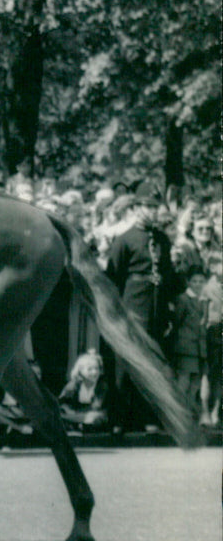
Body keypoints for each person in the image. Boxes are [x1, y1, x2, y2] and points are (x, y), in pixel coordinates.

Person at [105, 180, 181, 434]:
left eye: (155, 206)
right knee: (126, 363)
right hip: (132, 308)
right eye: (147, 206)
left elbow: (168, 275)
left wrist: (168, 308)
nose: (152, 211)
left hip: (157, 310)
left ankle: (147, 416)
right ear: (136, 208)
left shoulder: (162, 240)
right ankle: (119, 419)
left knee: (153, 365)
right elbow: (112, 277)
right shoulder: (124, 240)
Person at [169, 266, 208, 421]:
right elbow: (177, 322)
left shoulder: (204, 300)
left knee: (195, 384)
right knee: (183, 382)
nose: (198, 284)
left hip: (200, 348)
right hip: (186, 347)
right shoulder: (183, 299)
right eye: (194, 281)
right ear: (188, 282)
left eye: (201, 281)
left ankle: (188, 415)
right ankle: (176, 416)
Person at [58, 349, 109, 431]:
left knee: (94, 417)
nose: (94, 372)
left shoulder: (102, 386)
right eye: (90, 369)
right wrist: (66, 408)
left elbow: (96, 406)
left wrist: (74, 414)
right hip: (74, 416)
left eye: (97, 369)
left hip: (95, 416)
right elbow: (61, 402)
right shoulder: (73, 385)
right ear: (80, 371)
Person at [200, 252, 222, 427]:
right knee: (208, 373)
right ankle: (205, 412)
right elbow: (203, 316)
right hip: (212, 332)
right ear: (214, 267)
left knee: (220, 375)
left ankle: (216, 412)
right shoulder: (208, 288)